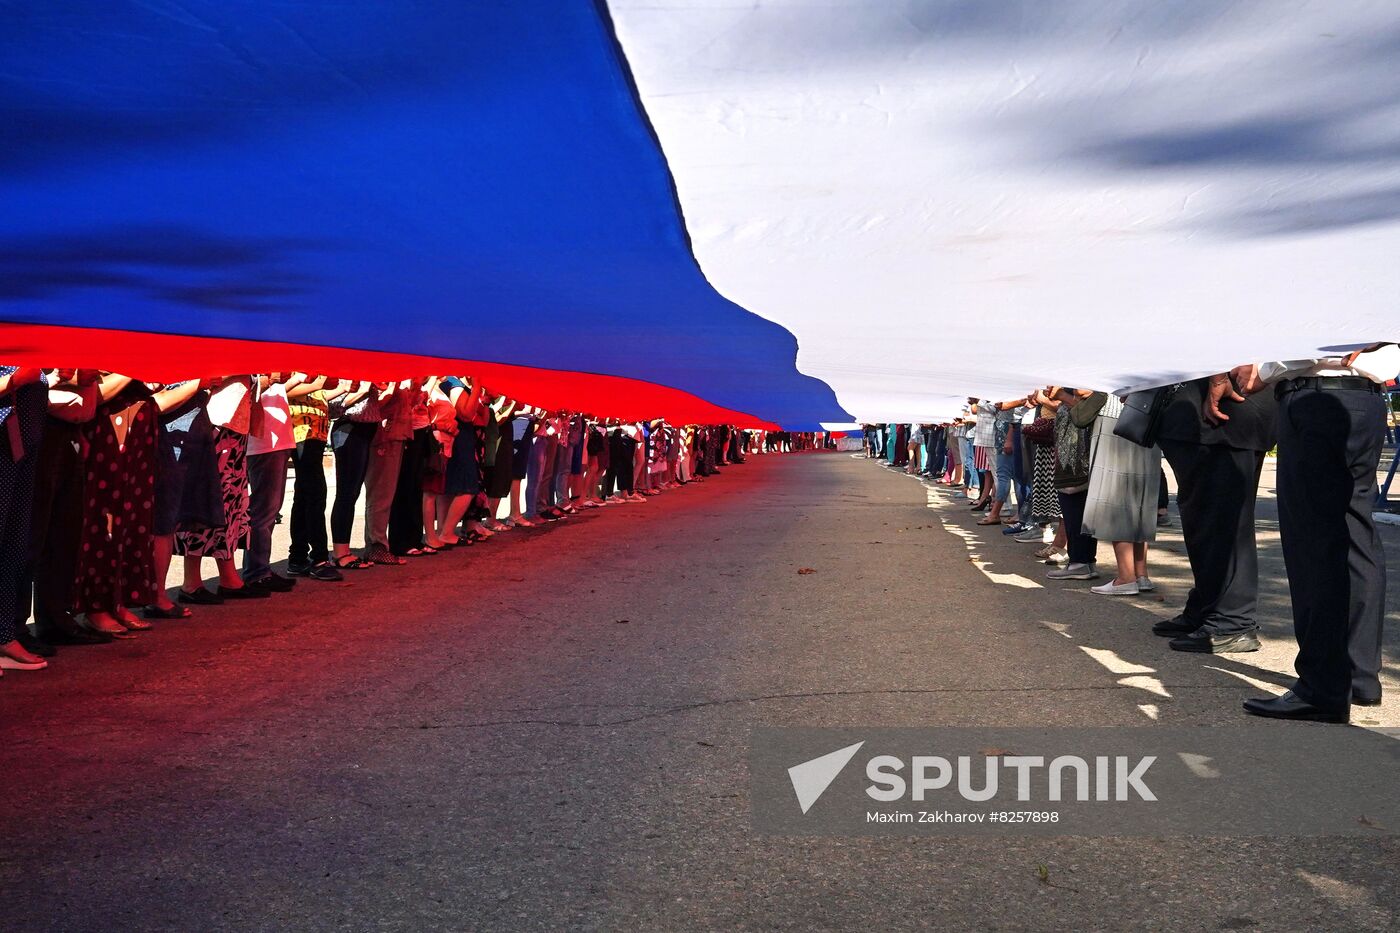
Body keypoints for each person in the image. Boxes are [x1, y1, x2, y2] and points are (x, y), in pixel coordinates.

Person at [1232, 345, 1400, 722]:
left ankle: (1322, 687)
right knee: (1357, 537)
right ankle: (1359, 676)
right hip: (1366, 398)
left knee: (1314, 544)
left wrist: (1266, 367)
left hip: (1315, 397)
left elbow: (1311, 339)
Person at [1151, 376, 1276, 653]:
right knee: (1204, 521)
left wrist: (1219, 374)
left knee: (1223, 523)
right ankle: (1208, 608)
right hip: (1204, 413)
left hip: (1222, 415)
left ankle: (1232, 621)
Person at [1081, 394, 1162, 596]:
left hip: (1116, 415)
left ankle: (1126, 577)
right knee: (1139, 497)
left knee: (1116, 496)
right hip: (1151, 413)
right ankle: (1140, 574)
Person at [0, 366, 51, 672]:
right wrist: (16, 380)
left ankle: (4, 636)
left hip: (21, 450)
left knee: (13, 548)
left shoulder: (28, 342)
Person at [243, 374, 298, 590]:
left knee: (270, 510)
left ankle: (260, 568)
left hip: (277, 441)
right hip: (263, 442)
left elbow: (279, 390)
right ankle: (257, 571)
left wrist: (297, 379)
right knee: (263, 511)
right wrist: (271, 379)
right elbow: (246, 388)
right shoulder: (255, 363)